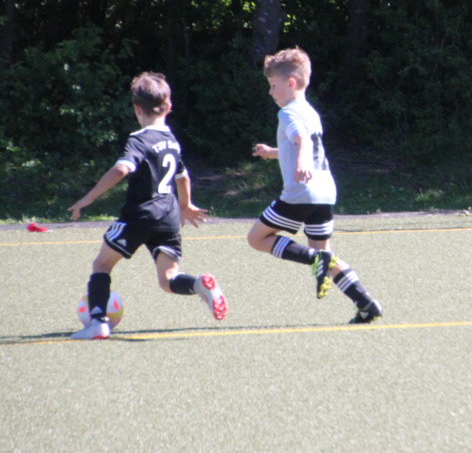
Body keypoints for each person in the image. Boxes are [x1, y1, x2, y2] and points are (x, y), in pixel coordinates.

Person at [68, 72, 227, 340]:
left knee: (101, 265)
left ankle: (97, 323)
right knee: (168, 279)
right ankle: (199, 284)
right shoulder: (172, 141)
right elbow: (183, 177)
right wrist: (186, 206)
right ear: (169, 106)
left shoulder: (139, 139)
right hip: (168, 216)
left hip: (139, 216)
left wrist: (89, 198)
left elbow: (122, 169)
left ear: (137, 109)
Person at [248, 47, 383, 323]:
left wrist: (301, 163)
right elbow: (301, 144)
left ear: (291, 82)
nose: (271, 92)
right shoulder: (310, 111)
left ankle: (314, 259)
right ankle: (366, 304)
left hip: (301, 193)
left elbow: (303, 141)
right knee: (326, 255)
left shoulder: (287, 113)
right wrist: (272, 152)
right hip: (325, 192)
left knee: (256, 239)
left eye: (273, 85)